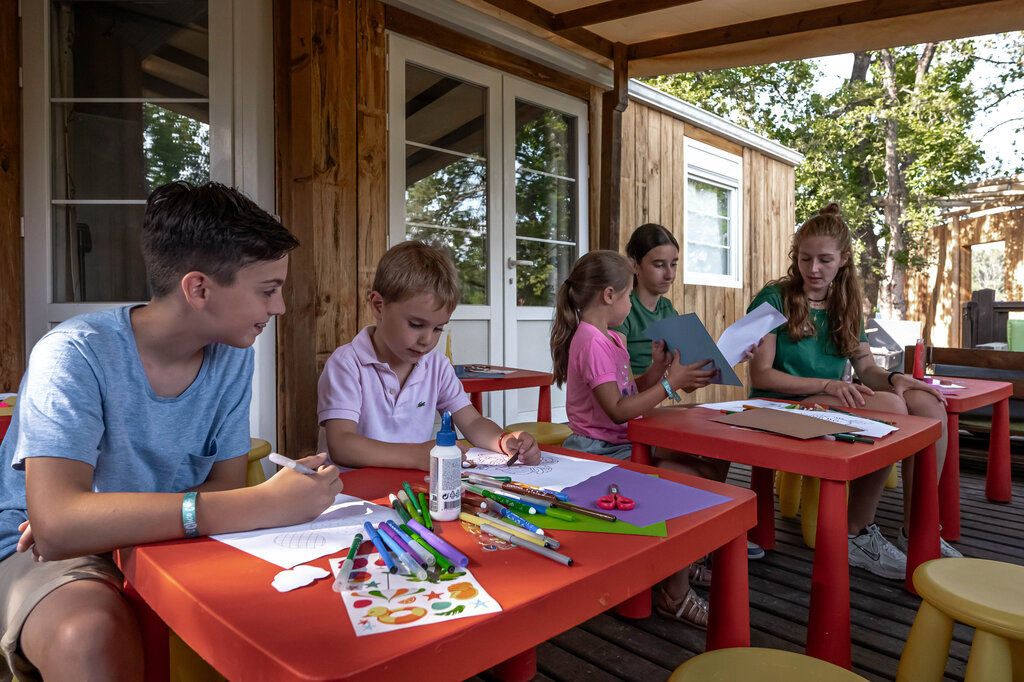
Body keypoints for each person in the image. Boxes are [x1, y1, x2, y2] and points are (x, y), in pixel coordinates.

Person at [0, 181, 344, 682]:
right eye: (268, 290)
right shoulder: (73, 353)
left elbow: (224, 486)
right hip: (42, 551)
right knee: (89, 636)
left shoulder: (231, 359)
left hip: (161, 541)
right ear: (199, 288)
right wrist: (267, 502)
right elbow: (55, 528)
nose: (280, 308)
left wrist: (98, 517)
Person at [747, 202, 960, 581]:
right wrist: (829, 384)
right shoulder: (773, 298)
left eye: (825, 260)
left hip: (827, 400)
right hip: (779, 405)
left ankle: (918, 532)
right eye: (805, 259)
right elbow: (762, 375)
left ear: (843, 259)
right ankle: (855, 533)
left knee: (926, 403)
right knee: (888, 409)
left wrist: (895, 379)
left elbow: (866, 369)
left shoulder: (846, 303)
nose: (813, 269)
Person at [550, 249, 718, 629]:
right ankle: (675, 593)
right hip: (601, 449)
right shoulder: (591, 342)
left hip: (625, 440)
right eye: (628, 295)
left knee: (706, 464)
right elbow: (618, 410)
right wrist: (670, 384)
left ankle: (683, 561)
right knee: (685, 479)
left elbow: (627, 391)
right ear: (609, 295)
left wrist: (657, 370)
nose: (630, 302)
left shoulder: (612, 339)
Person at [318, 240, 541, 470]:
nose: (427, 340)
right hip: (353, 495)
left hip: (411, 491)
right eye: (416, 324)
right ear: (378, 306)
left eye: (437, 329)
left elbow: (472, 421)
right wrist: (417, 455)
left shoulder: (437, 366)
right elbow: (342, 445)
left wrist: (504, 441)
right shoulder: (347, 364)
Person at [615, 223, 765, 562]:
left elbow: (680, 371)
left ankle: (709, 526)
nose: (669, 273)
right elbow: (622, 384)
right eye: (658, 264)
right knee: (695, 462)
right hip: (636, 412)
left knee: (722, 437)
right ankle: (705, 530)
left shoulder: (667, 310)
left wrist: (723, 363)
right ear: (635, 265)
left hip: (663, 406)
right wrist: (673, 380)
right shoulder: (621, 312)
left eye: (674, 263)